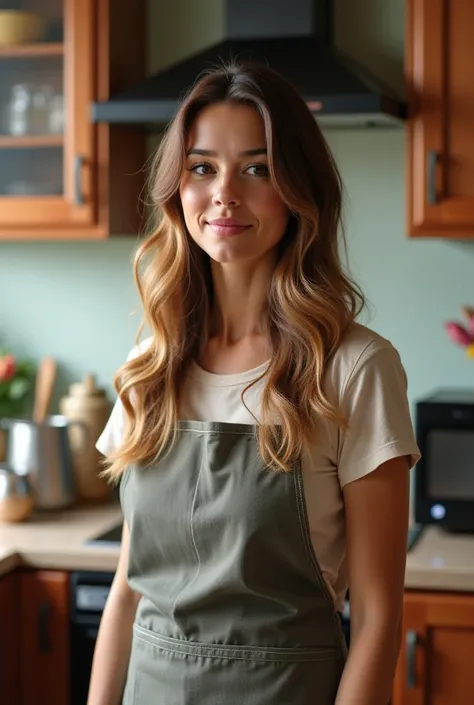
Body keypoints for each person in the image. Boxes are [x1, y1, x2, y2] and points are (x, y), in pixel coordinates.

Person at [87, 61, 420, 705]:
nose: (224, 194)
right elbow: (128, 589)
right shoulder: (153, 362)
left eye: (257, 168)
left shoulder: (354, 369)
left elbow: (379, 619)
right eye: (203, 167)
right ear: (176, 189)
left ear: (299, 191)